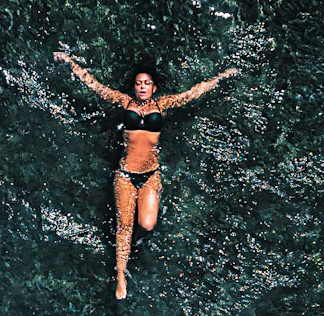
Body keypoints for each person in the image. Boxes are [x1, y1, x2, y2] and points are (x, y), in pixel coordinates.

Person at [55, 50, 240, 298]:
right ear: (134, 87)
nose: (142, 87)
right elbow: (95, 86)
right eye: (138, 83)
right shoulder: (124, 102)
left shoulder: (162, 105)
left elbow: (193, 93)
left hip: (151, 174)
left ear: (154, 87)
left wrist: (221, 77)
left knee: (148, 223)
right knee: (124, 226)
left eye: (147, 84)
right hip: (125, 174)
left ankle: (136, 234)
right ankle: (121, 275)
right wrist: (70, 63)